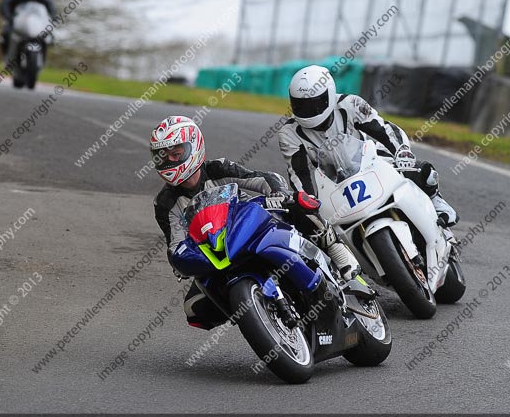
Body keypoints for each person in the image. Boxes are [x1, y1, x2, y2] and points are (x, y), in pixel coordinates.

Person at [151, 116, 362, 330]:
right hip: (215, 254)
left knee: (296, 204)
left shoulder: (217, 169)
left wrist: (278, 194)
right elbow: (175, 243)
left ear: (193, 147)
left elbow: (261, 179)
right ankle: (254, 313)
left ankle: (335, 249)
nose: (170, 161)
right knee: (194, 309)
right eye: (164, 157)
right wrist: (183, 260)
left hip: (249, 227)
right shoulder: (165, 203)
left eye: (176, 153)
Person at [279, 65, 459, 228]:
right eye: (300, 105)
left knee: (424, 172)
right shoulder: (289, 133)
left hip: (371, 164)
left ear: (329, 95)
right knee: (305, 222)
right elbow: (298, 173)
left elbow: (384, 129)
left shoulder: (350, 104)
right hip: (333, 184)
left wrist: (401, 150)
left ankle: (437, 202)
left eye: (314, 103)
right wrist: (307, 199)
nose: (308, 110)